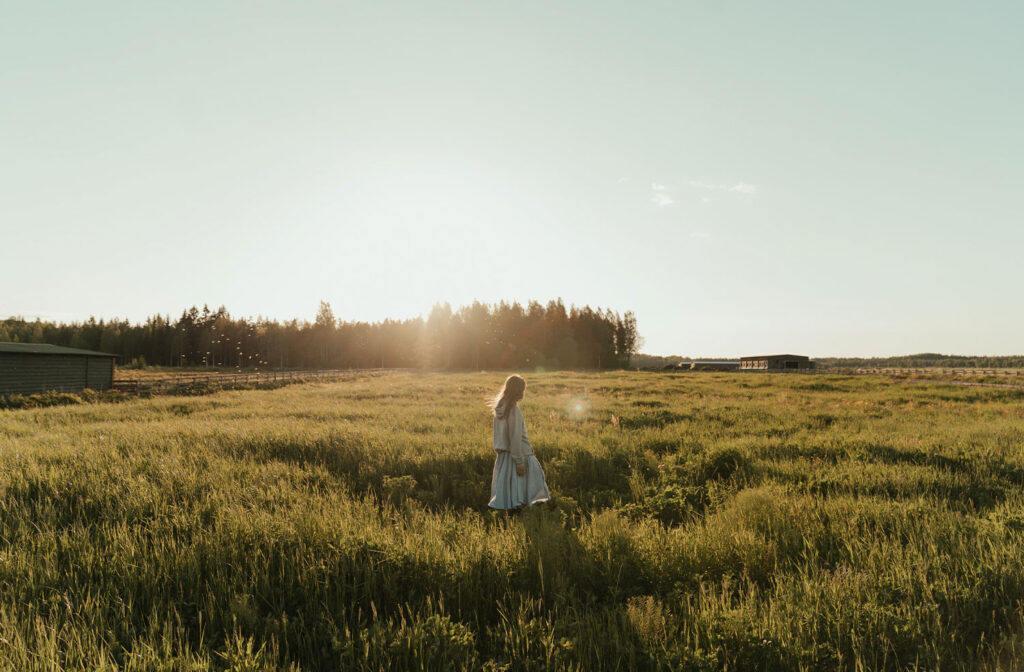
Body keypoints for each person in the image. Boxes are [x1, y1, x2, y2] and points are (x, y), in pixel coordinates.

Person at [488, 374, 551, 511]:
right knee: (522, 493)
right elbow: (515, 438)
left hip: (504, 457)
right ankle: (522, 523)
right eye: (522, 389)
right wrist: (519, 463)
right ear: (518, 390)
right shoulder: (513, 409)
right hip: (519, 455)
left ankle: (510, 524)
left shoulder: (500, 407)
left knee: (509, 494)